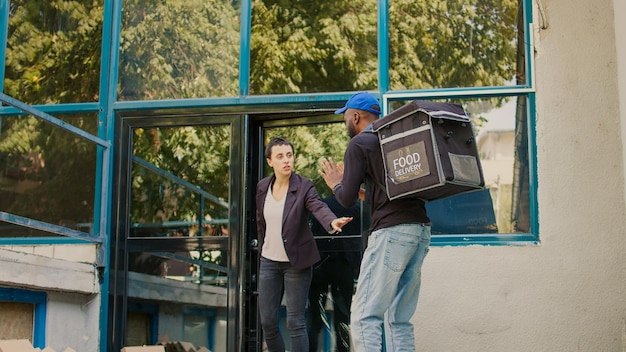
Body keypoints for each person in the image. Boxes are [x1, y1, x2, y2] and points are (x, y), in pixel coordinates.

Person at [318, 92, 432, 352]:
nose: (344, 121)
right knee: (398, 319)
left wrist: (336, 183)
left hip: (392, 232)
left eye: (345, 116)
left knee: (364, 316)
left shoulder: (360, 144)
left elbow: (345, 199)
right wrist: (358, 191)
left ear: (356, 116)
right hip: (420, 229)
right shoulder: (391, 139)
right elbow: (385, 192)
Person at [256, 137, 354, 352]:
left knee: (295, 322)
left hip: (296, 263)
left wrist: (331, 221)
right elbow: (260, 220)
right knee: (268, 323)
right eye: (280, 156)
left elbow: (317, 206)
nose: (286, 161)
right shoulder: (262, 187)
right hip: (269, 262)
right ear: (270, 161)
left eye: (289, 155)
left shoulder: (303, 186)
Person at [307, 195, 362, 352]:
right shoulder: (356, 207)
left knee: (314, 318)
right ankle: (342, 350)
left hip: (319, 265)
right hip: (344, 265)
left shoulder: (319, 206)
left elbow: (311, 233)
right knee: (343, 318)